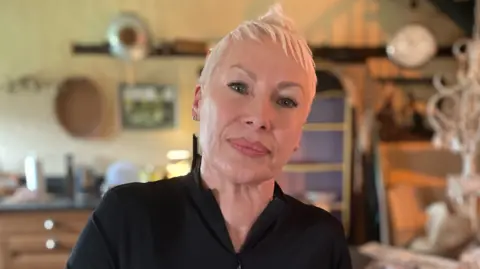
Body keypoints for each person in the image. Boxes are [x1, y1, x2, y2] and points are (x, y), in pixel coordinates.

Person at [66, 4, 352, 269]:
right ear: (198, 101)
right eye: (239, 87)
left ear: (299, 132)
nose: (260, 117)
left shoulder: (322, 241)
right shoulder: (126, 219)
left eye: (286, 101)